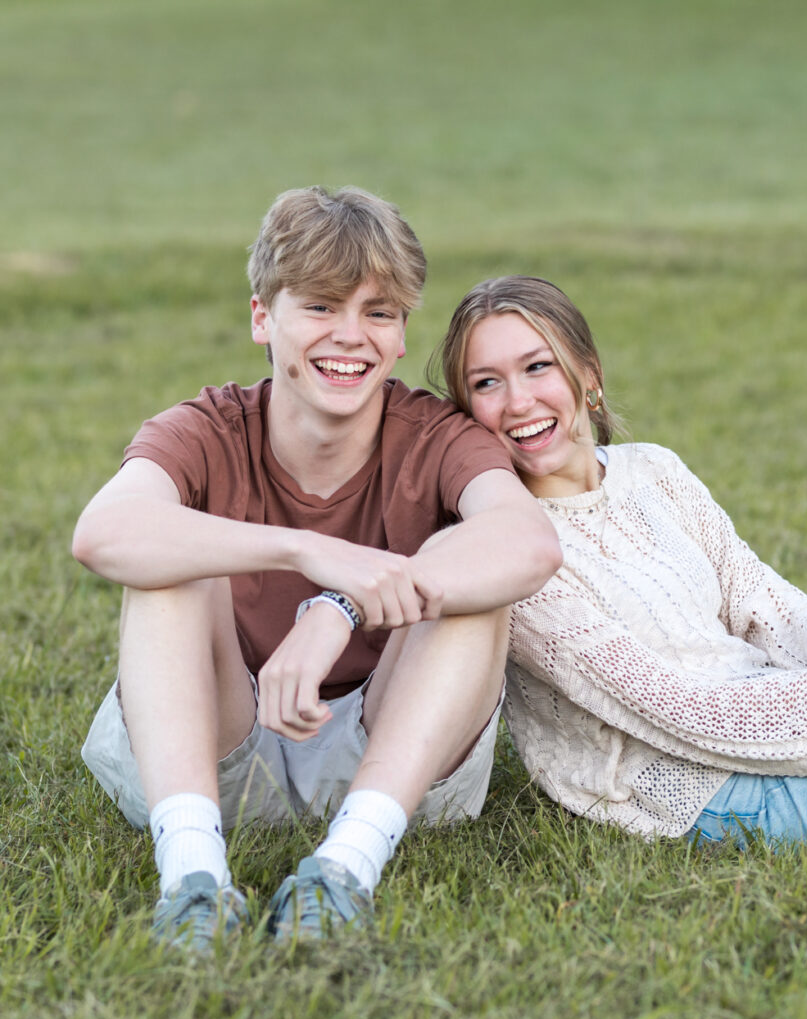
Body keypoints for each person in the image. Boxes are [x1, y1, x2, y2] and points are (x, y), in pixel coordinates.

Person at [72, 192, 561, 951]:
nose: (350, 336)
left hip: (394, 757)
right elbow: (103, 533)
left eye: (379, 312)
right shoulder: (205, 427)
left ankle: (342, 873)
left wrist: (339, 605)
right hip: (216, 752)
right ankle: (193, 880)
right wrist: (301, 549)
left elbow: (528, 543)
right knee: (169, 566)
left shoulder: (434, 435)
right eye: (321, 306)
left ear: (401, 336)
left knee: (470, 583)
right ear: (263, 318)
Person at [429, 274, 807, 846]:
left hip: (796, 735)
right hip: (745, 802)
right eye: (487, 383)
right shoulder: (511, 552)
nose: (518, 401)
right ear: (467, 411)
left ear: (589, 375)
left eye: (538, 366)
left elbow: (763, 605)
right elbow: (684, 711)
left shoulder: (652, 470)